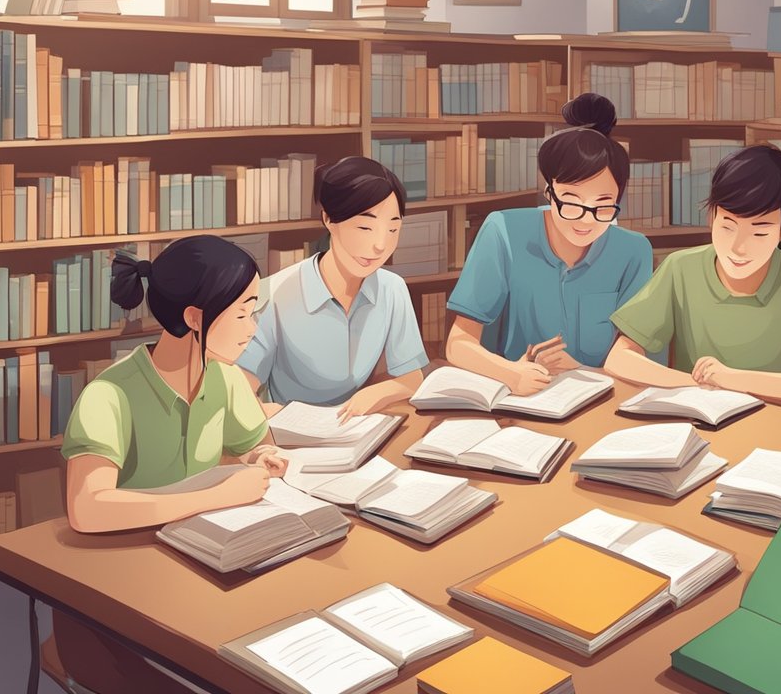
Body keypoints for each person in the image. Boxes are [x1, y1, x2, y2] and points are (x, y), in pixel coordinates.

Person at [58, 235, 285, 692]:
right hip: (117, 600)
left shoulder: (225, 379)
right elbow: (87, 508)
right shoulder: (109, 395)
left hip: (198, 572)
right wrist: (214, 496)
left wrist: (263, 456)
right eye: (242, 313)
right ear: (195, 317)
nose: (253, 328)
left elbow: (253, 443)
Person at [604, 144, 781, 403]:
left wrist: (734, 379)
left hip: (779, 420)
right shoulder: (681, 268)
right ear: (711, 217)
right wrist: (698, 385)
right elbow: (619, 358)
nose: (739, 248)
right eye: (727, 227)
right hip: (700, 413)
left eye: (759, 233)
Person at [444, 93, 654, 394]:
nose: (586, 220)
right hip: (516, 397)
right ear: (549, 192)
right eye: (571, 201)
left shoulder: (633, 251)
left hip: (599, 397)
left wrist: (579, 370)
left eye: (602, 205)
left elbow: (633, 357)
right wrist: (511, 373)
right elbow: (458, 343)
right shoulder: (504, 231)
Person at [238, 156, 428, 420]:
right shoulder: (275, 295)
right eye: (365, 227)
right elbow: (239, 388)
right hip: (293, 433)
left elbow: (411, 378)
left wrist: (375, 394)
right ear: (328, 219)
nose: (380, 245)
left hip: (358, 427)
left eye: (393, 229)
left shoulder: (392, 289)